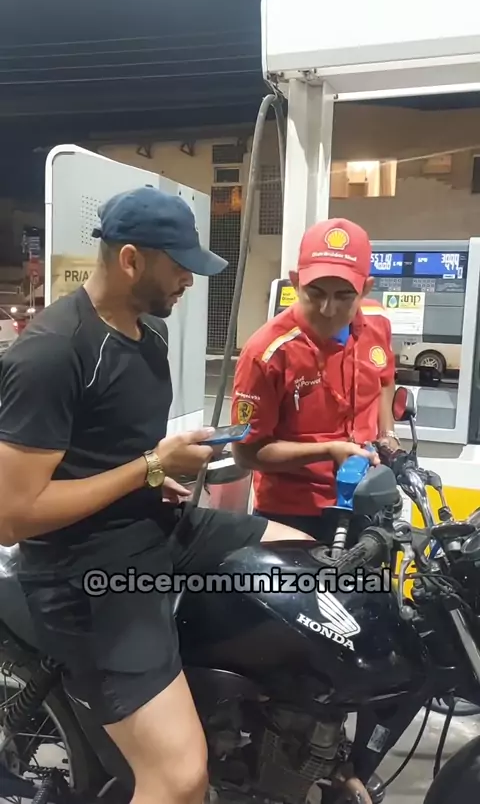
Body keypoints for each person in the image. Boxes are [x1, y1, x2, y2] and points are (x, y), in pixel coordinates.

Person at [0, 186, 312, 804]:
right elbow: (13, 516)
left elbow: (106, 456)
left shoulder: (148, 339)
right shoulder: (52, 354)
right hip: (85, 571)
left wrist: (154, 476)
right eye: (180, 266)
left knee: (307, 566)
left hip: (153, 528)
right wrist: (149, 466)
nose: (189, 281)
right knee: (179, 780)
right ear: (131, 260)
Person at [231, 218, 399, 541]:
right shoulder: (266, 353)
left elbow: (384, 380)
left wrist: (387, 433)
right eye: (315, 293)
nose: (328, 309)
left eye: (344, 296)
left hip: (368, 501)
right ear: (296, 282)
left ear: (366, 288)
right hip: (293, 513)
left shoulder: (378, 322)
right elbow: (246, 453)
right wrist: (328, 451)